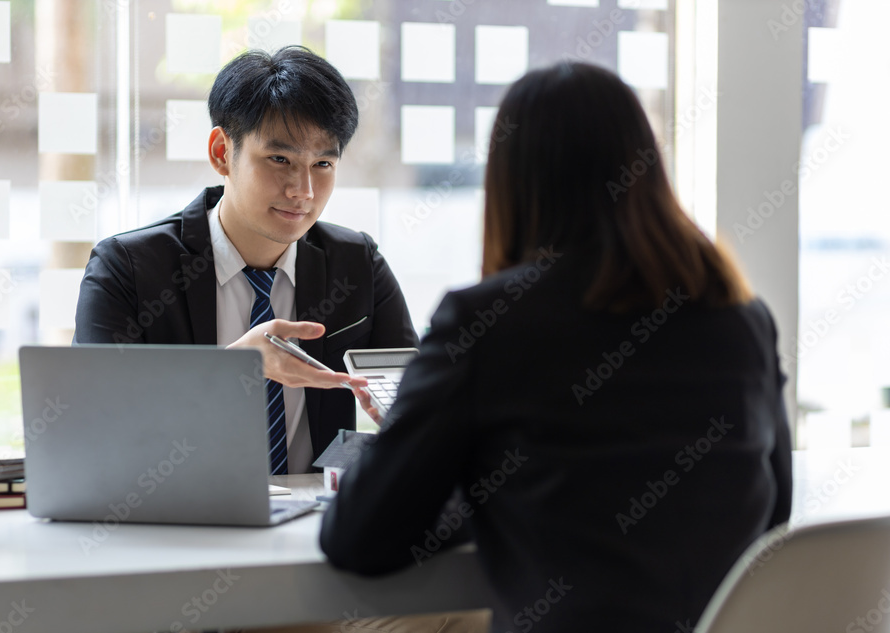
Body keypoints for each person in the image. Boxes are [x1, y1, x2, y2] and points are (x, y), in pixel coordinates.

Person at [320, 61, 793, 632]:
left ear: (511, 182)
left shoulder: (487, 321)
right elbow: (774, 511)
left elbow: (358, 537)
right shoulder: (742, 319)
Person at [73, 46, 419, 474]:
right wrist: (233, 370)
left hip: (314, 527)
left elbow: (423, 403)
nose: (303, 190)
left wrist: (411, 428)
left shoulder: (356, 264)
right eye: (280, 159)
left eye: (323, 163)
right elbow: (92, 426)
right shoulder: (128, 268)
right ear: (222, 152)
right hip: (178, 521)